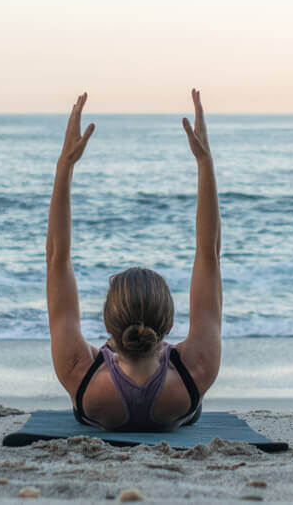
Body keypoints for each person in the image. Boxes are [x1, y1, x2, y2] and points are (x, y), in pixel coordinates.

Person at [45, 89, 222, 431]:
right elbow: (209, 256)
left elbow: (56, 259)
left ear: (108, 326)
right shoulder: (195, 371)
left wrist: (64, 165)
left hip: (99, 398)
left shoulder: (79, 373)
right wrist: (205, 162)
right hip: (176, 400)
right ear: (168, 327)